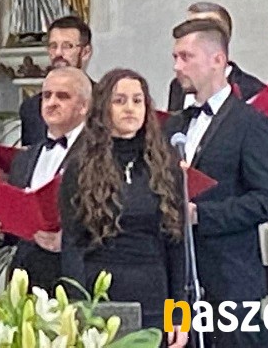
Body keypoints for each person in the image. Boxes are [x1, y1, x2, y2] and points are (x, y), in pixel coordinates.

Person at [165, 19, 268, 347]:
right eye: (175, 57)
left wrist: (202, 215)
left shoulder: (251, 123)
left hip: (232, 279)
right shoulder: (173, 125)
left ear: (218, 59)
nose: (177, 66)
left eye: (186, 57)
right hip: (178, 279)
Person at [61, 68, 186, 339]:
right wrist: (76, 309)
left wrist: (179, 315)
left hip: (154, 293)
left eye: (137, 100)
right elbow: (72, 244)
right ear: (103, 108)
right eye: (119, 101)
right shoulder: (80, 167)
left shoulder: (165, 165)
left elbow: (177, 246)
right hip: (100, 293)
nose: (130, 108)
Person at [0, 67, 89, 289]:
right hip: (27, 275)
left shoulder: (99, 153)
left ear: (84, 106)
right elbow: (14, 230)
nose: (52, 102)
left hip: (75, 274)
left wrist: (67, 241)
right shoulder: (25, 157)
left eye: (63, 96)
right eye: (47, 96)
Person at [167, 2, 265, 111]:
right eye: (190, 26)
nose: (193, 33)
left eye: (206, 27)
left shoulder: (252, 90)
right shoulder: (178, 85)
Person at [19, 15, 93, 145]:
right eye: (53, 46)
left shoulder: (104, 101)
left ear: (86, 52)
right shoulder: (32, 108)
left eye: (67, 46)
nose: (58, 53)